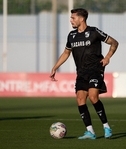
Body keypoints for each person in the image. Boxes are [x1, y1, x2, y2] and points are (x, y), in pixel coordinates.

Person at [50, 8, 118, 139]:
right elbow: (66, 53)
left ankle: (106, 127)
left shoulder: (94, 32)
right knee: (80, 100)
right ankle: (90, 132)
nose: (71, 20)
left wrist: (108, 56)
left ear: (82, 19)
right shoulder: (72, 35)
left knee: (93, 97)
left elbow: (114, 42)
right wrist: (55, 67)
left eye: (73, 18)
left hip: (95, 70)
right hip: (81, 72)